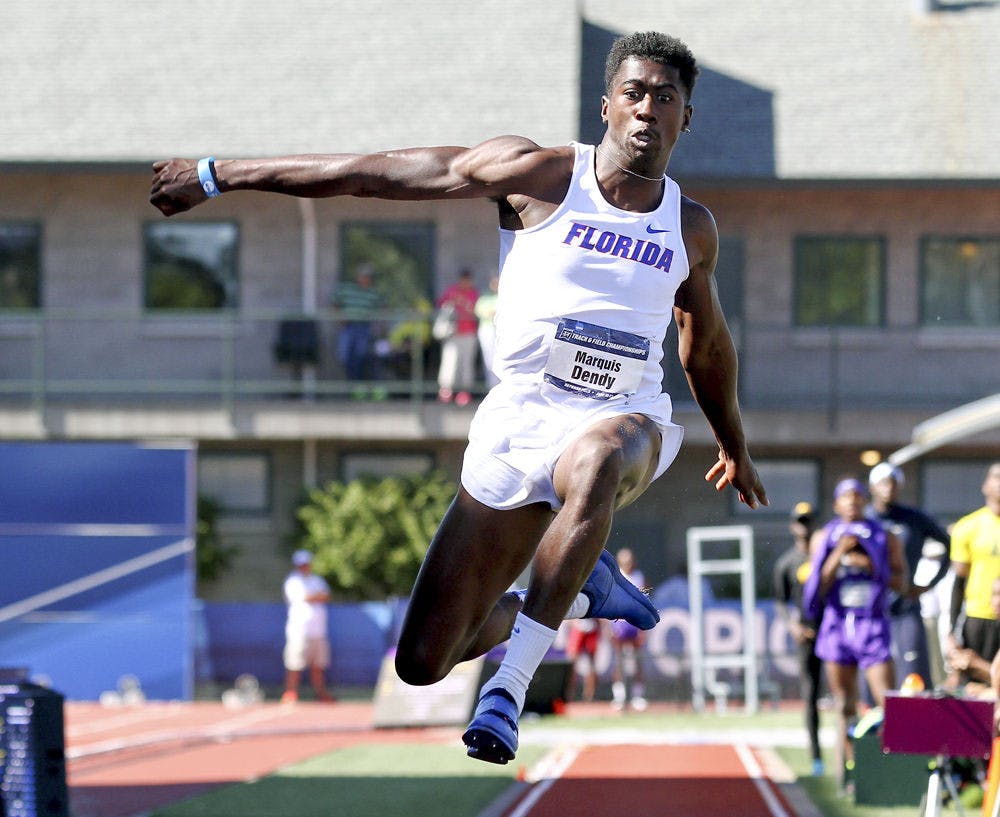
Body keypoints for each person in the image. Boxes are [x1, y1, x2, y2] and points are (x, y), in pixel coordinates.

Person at [150, 30, 767, 764]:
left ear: (684, 118)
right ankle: (571, 589)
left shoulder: (689, 226)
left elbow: (707, 347)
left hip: (626, 421)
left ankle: (507, 692)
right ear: (606, 107)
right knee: (423, 659)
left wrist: (732, 441)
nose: (647, 111)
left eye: (665, 98)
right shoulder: (537, 175)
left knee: (600, 457)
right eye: (633, 94)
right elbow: (371, 175)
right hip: (521, 422)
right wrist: (219, 174)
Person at [803, 479, 906, 794]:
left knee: (886, 701)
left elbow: (900, 580)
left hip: (872, 625)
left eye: (858, 497)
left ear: (866, 501)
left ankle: (891, 775)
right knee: (844, 703)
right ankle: (849, 774)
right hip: (837, 627)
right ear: (836, 504)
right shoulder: (824, 536)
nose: (852, 502)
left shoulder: (884, 535)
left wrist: (873, 566)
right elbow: (816, 586)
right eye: (846, 497)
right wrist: (839, 555)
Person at [866, 461, 951, 687]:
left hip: (906, 604)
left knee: (914, 674)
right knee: (872, 675)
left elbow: (949, 546)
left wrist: (928, 584)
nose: (889, 488)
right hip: (871, 608)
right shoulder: (864, 520)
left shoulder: (913, 518)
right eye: (883, 483)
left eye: (893, 483)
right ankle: (872, 721)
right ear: (872, 487)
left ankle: (915, 721)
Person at [772, 501, 824, 776]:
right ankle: (817, 758)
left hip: (832, 631)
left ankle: (850, 755)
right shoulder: (787, 563)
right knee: (811, 695)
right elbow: (781, 602)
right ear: (793, 526)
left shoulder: (825, 557)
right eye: (800, 521)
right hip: (807, 635)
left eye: (809, 521)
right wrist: (793, 625)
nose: (804, 527)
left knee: (843, 696)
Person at [947, 462, 1000, 689]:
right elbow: (958, 581)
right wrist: (950, 630)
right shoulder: (968, 526)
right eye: (997, 477)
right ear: (985, 485)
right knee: (975, 688)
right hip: (978, 618)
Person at [281, 549, 334, 703]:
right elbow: (305, 597)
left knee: (318, 666)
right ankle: (290, 693)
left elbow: (325, 596)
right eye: (301, 564)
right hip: (299, 631)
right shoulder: (292, 581)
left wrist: (313, 596)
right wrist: (315, 596)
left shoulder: (317, 580)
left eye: (306, 564)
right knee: (295, 664)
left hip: (318, 631)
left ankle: (321, 693)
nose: (304, 566)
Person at [608, 547, 650, 711]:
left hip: (636, 622)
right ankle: (619, 696)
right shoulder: (615, 578)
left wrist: (643, 628)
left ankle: (638, 695)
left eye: (630, 560)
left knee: (638, 660)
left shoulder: (640, 577)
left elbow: (646, 602)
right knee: (619, 660)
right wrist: (609, 625)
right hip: (619, 623)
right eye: (625, 560)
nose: (628, 563)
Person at [332, 265, 383, 386]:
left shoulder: (373, 293)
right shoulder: (347, 289)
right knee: (344, 355)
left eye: (367, 277)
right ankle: (352, 383)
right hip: (348, 326)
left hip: (364, 326)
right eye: (363, 276)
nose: (365, 279)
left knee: (361, 354)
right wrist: (340, 317)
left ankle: (357, 384)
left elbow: (383, 309)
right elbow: (335, 302)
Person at [436, 269, 480, 406]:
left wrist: (462, 302)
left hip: (468, 333)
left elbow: (475, 311)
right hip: (453, 334)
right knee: (449, 363)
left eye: (468, 280)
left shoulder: (474, 293)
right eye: (463, 279)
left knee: (466, 364)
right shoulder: (451, 290)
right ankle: (446, 391)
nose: (465, 282)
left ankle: (464, 392)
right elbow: (440, 304)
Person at [564, 618, 602, 703]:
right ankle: (568, 695)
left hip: (591, 624)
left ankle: (589, 696)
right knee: (571, 664)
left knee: (591, 665)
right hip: (579, 624)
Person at [475, 275, 501, 390]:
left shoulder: (506, 296)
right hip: (488, 330)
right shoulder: (485, 297)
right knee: (489, 359)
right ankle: (491, 387)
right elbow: (479, 311)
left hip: (502, 330)